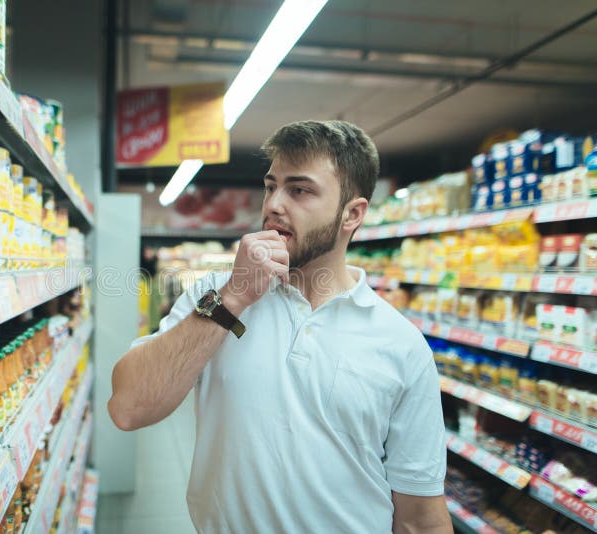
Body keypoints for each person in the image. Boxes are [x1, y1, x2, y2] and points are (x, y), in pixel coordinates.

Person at [108, 120, 452, 534]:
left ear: (352, 214)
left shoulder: (401, 345)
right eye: (271, 186)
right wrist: (233, 298)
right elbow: (128, 408)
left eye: (300, 190)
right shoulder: (213, 295)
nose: (273, 204)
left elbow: (420, 519)